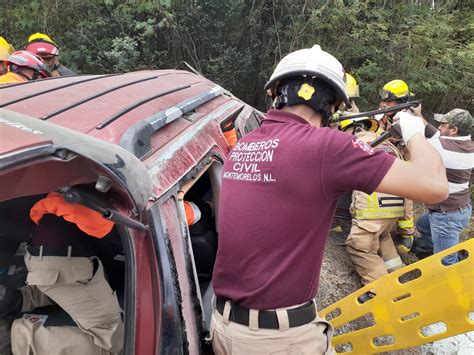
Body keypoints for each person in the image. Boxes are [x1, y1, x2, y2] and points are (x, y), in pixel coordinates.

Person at [210, 44, 448, 355]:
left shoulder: (244, 145)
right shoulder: (327, 147)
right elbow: (434, 186)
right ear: (331, 105)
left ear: (276, 93)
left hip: (224, 327)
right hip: (279, 342)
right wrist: (417, 130)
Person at [3, 192, 123, 354]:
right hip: (62, 263)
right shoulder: (116, 206)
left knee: (60, 284)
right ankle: (10, 338)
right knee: (112, 341)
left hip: (40, 259)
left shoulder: (76, 192)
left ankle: (14, 300)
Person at [340, 117, 406, 287]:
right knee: (383, 236)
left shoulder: (356, 145)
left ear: (353, 129)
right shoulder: (389, 145)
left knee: (359, 247)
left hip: (373, 209)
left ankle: (381, 290)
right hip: (396, 206)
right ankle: (399, 274)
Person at [411, 108, 473, 265]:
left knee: (446, 261)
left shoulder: (440, 146)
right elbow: (435, 134)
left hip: (447, 215)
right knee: (422, 225)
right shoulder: (467, 145)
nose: (439, 126)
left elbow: (416, 139)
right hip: (458, 208)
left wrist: (407, 123)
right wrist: (419, 115)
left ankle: (451, 284)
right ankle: (434, 250)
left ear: (454, 130)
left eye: (443, 124)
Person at [377, 79, 417, 253]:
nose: (384, 103)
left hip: (405, 156)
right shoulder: (385, 113)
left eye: (389, 100)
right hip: (387, 154)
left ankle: (406, 232)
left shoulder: (409, 119)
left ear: (401, 102)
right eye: (383, 99)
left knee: (406, 193)